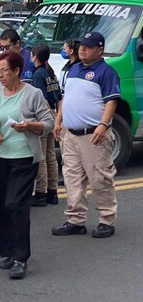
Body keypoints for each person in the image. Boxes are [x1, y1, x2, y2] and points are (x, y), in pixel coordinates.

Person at [0, 50, 54, 280]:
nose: (0, 75)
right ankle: (8, 253)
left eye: (4, 71)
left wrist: (29, 125)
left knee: (16, 205)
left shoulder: (33, 94)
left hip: (24, 159)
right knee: (2, 206)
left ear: (17, 71)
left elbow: (49, 123)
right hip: (0, 158)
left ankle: (21, 258)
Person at [52, 32, 119, 239]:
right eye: (81, 46)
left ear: (100, 49)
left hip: (93, 135)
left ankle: (106, 220)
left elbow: (111, 101)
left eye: (88, 47)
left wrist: (103, 124)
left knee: (99, 178)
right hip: (70, 134)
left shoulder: (106, 72)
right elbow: (66, 97)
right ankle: (75, 219)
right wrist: (58, 120)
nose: (82, 49)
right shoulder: (73, 70)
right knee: (72, 178)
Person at [30, 43, 62, 207]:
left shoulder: (38, 75)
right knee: (50, 153)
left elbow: (38, 98)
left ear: (35, 56)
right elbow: (58, 96)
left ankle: (41, 192)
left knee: (40, 155)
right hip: (53, 113)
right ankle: (53, 191)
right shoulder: (50, 73)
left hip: (43, 114)